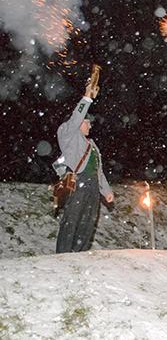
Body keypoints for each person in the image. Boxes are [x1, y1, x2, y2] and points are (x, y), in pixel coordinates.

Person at [54, 71, 113, 253]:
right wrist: (87, 97)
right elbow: (76, 117)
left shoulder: (93, 145)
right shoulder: (68, 134)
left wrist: (106, 191)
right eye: (87, 123)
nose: (90, 126)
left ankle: (80, 254)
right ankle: (63, 254)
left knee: (88, 221)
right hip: (77, 181)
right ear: (79, 123)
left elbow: (98, 170)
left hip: (93, 185)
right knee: (71, 219)